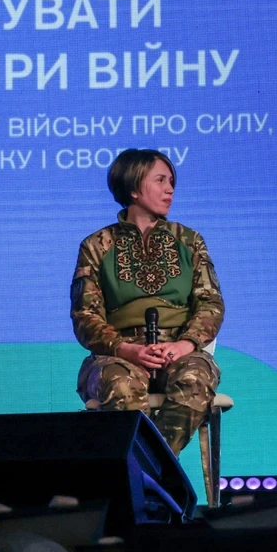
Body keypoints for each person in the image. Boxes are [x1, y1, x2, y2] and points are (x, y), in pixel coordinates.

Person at [71, 149, 224, 455]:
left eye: (172, 181)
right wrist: (125, 349)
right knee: (120, 385)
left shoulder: (189, 240)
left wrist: (185, 345)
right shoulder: (96, 245)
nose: (170, 188)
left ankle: (146, 475)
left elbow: (211, 304)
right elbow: (84, 316)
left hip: (177, 349)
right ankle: (152, 480)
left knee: (195, 378)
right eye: (160, 180)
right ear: (133, 187)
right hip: (117, 353)